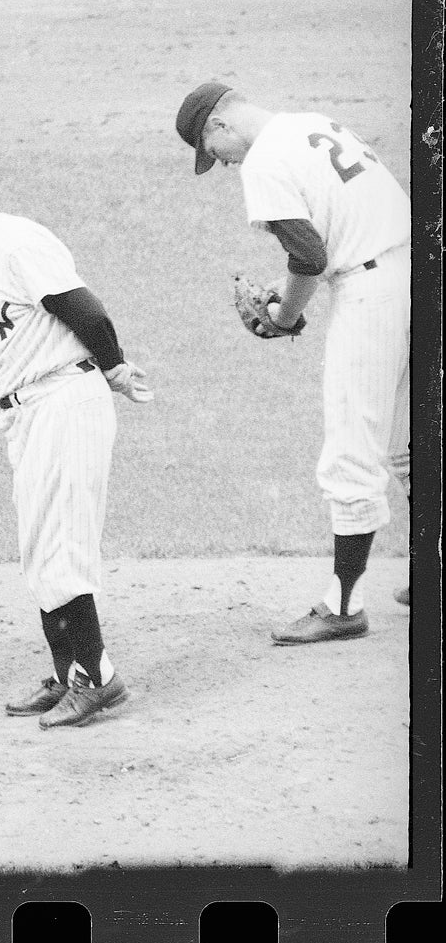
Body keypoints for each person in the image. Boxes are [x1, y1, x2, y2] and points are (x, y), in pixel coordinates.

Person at [0, 162, 153, 726]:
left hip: (61, 402)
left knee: (60, 545)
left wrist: (113, 369)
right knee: (41, 547)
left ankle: (97, 679)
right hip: (33, 410)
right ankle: (70, 673)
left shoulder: (16, 241)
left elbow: (82, 307)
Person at [183, 82, 404, 646]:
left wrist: (284, 315)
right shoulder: (315, 122)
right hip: (422, 266)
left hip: (374, 294)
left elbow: (309, 255)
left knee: (351, 451)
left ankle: (344, 606)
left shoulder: (264, 160)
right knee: (408, 440)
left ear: (220, 128)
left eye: (217, 155)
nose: (227, 166)